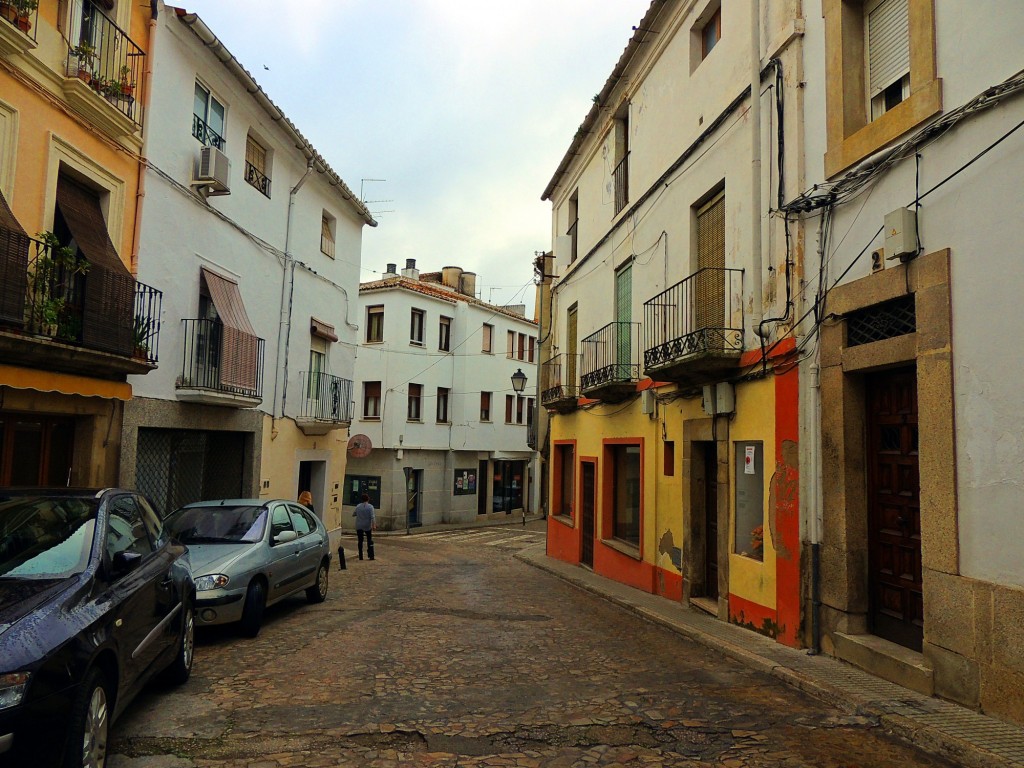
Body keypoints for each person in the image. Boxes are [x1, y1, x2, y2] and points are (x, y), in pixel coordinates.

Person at [353, 493, 376, 560]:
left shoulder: (358, 506)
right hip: (367, 526)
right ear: (368, 499)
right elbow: (372, 517)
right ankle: (370, 554)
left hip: (359, 525)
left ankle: (361, 555)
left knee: (360, 541)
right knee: (369, 539)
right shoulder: (370, 507)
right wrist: (373, 525)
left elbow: (354, 514)